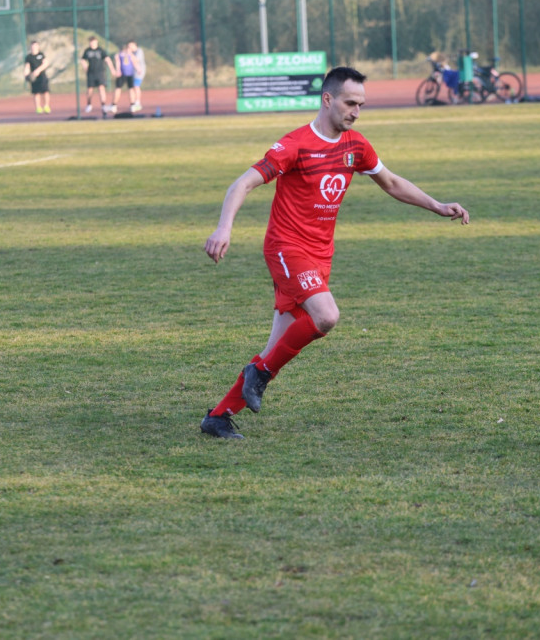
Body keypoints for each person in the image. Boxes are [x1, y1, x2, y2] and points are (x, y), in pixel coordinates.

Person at [201, 66, 470, 440]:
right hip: (286, 248)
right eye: (349, 103)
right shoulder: (294, 144)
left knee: (276, 345)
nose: (356, 111)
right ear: (327, 99)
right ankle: (259, 375)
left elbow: (391, 183)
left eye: (361, 104)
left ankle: (219, 415)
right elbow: (242, 184)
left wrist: (438, 206)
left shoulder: (356, 146)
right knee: (326, 316)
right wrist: (224, 228)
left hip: (320, 255)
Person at [81, 36, 117, 115]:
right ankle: (89, 104)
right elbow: (83, 59)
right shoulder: (87, 51)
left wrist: (113, 70)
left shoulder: (101, 50)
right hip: (91, 73)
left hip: (100, 72)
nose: (92, 43)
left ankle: (103, 105)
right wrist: (85, 66)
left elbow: (107, 60)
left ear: (96, 42)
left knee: (101, 88)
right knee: (90, 90)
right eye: (91, 42)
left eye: (93, 42)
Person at [24, 40, 52, 114]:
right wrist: (26, 74)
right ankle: (38, 107)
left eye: (35, 46)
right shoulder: (29, 57)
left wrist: (38, 70)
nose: (34, 47)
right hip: (34, 77)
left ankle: (46, 106)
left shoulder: (41, 55)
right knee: (36, 92)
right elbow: (27, 67)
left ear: (38, 46)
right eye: (32, 46)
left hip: (42, 76)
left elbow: (46, 63)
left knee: (45, 91)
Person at [111, 41, 139, 113]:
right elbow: (135, 62)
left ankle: (115, 105)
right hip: (125, 74)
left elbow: (134, 62)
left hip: (126, 74)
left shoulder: (121, 55)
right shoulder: (126, 55)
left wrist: (118, 70)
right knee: (123, 89)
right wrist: (138, 69)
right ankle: (115, 105)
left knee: (126, 89)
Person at [131, 41, 146, 112]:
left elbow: (136, 60)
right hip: (132, 72)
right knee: (133, 87)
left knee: (136, 86)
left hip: (139, 72)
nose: (130, 47)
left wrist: (129, 54)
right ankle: (134, 103)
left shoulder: (139, 51)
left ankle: (138, 103)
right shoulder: (131, 52)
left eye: (131, 45)